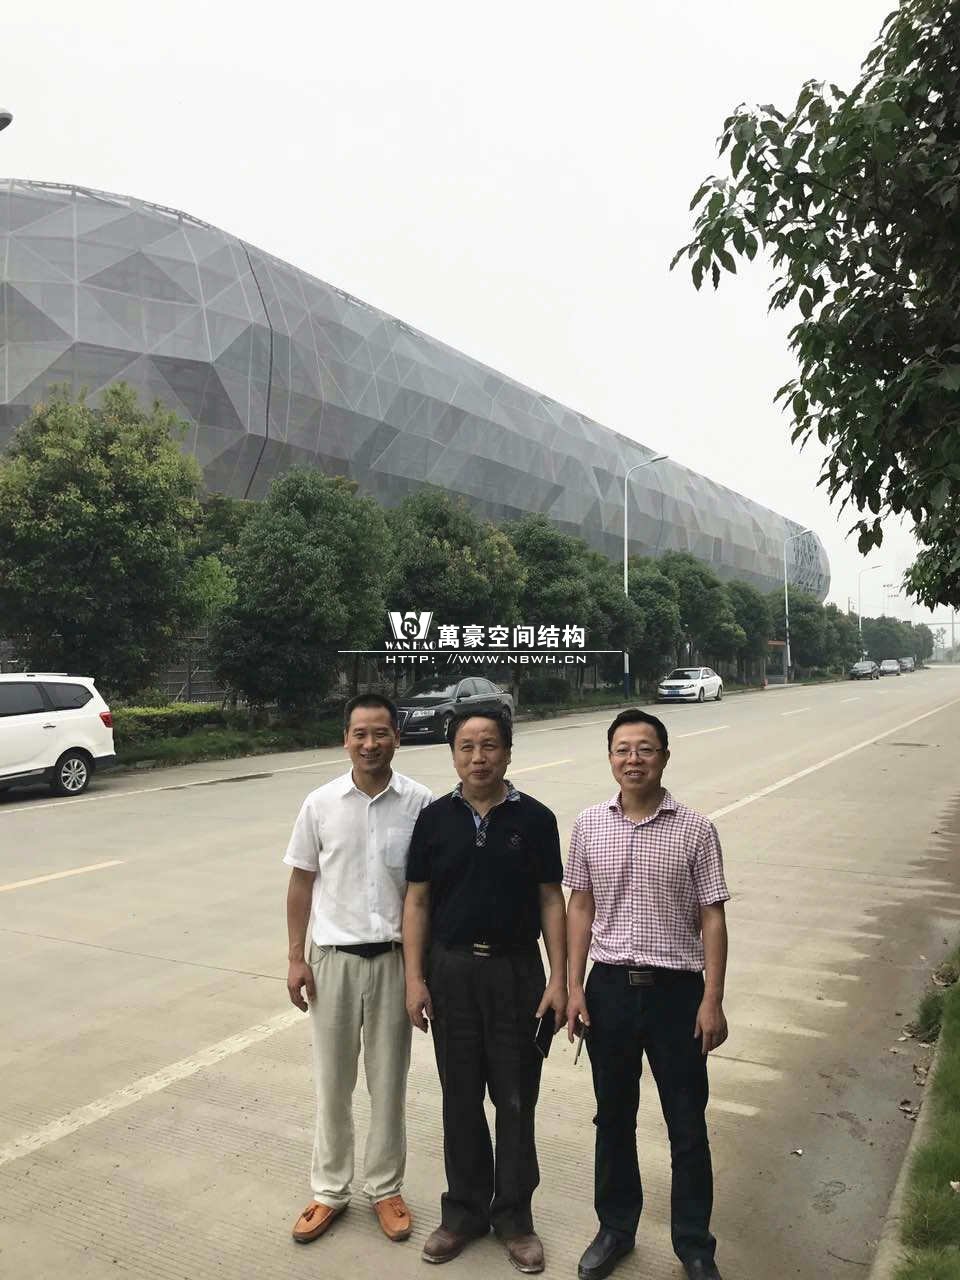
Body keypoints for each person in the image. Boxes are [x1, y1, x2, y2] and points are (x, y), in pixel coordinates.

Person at [565, 709, 730, 1280]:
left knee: (686, 1122)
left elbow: (712, 917)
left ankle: (695, 1245)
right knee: (613, 1117)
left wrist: (712, 999)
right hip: (609, 989)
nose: (633, 759)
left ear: (664, 756)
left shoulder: (696, 829)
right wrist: (574, 987)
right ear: (610, 757)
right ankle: (615, 1229)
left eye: (645, 749)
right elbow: (579, 907)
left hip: (677, 995)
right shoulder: (589, 825)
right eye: (623, 749)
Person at [403, 707, 567, 1274]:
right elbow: (417, 901)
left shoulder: (536, 819)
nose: (479, 757)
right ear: (453, 755)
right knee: (460, 1095)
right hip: (451, 972)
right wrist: (415, 979)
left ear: (508, 752)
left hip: (516, 972)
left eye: (489, 745)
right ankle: (464, 1212)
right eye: (467, 746)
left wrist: (559, 979)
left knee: (517, 1098)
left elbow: (551, 899)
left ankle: (515, 1219)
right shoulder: (434, 819)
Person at [284, 693, 432, 1246]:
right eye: (360, 734)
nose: (370, 744)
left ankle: (385, 1189)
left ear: (398, 737)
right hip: (333, 962)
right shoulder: (320, 803)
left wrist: (421, 973)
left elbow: (424, 893)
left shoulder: (420, 804)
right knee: (333, 1083)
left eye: (381, 733)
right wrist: (296, 957)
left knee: (389, 1083)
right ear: (345, 739)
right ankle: (329, 1191)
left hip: (394, 961)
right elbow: (301, 881)